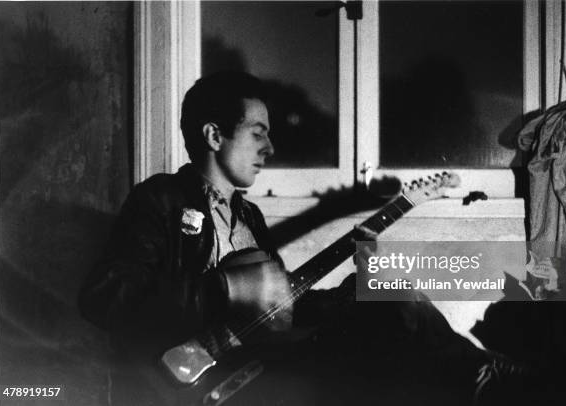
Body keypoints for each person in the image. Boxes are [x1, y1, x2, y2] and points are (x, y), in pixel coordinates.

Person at [79, 71, 489, 406]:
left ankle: (487, 378)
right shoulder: (160, 199)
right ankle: (493, 381)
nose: (270, 147)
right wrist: (225, 287)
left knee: (392, 296)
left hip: (262, 366)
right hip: (187, 386)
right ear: (214, 135)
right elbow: (105, 297)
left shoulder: (249, 217)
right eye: (258, 133)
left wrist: (354, 288)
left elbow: (280, 307)